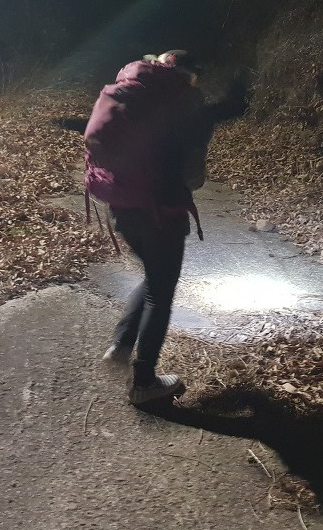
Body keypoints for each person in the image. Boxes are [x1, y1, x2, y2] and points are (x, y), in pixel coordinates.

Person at [85, 49, 214, 405]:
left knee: (154, 276)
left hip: (121, 206)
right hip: (161, 212)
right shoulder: (182, 102)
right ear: (187, 75)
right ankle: (144, 383)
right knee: (161, 290)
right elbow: (193, 175)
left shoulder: (126, 88)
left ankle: (122, 343)